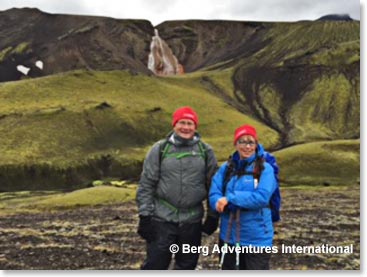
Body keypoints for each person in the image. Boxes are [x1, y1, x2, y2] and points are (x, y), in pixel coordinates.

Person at [136, 106, 218, 270]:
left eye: (190, 123)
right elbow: (147, 183)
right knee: (155, 265)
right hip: (162, 220)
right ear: (174, 125)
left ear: (195, 127)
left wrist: (213, 216)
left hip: (192, 222)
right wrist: (145, 216)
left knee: (187, 266)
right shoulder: (160, 149)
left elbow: (213, 185)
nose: (186, 127)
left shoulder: (205, 151)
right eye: (182, 122)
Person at [209, 124, 276, 270]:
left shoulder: (265, 169)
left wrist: (230, 199)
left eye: (251, 142)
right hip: (228, 237)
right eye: (242, 142)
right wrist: (217, 202)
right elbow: (214, 193)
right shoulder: (226, 168)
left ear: (256, 144)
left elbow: (262, 197)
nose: (247, 146)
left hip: (257, 239)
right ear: (236, 144)